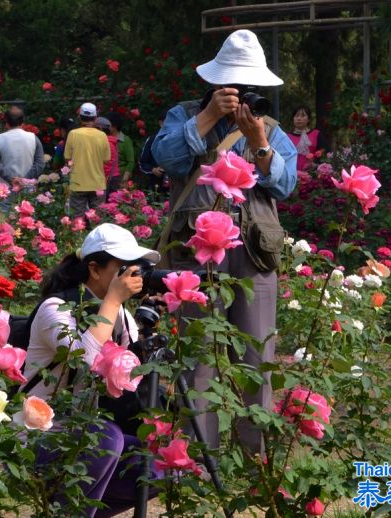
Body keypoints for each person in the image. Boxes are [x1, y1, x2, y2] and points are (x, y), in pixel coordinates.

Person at [151, 30, 297, 457]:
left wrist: (260, 145)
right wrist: (208, 118)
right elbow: (165, 158)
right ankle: (198, 461)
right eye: (231, 87)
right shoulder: (183, 115)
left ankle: (257, 463)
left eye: (248, 87)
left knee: (258, 357)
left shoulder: (269, 128)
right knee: (198, 358)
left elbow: (287, 185)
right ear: (214, 84)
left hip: (254, 254)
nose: (240, 96)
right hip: (198, 252)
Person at [21, 223, 161, 517]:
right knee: (106, 438)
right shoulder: (55, 308)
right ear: (95, 269)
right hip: (36, 437)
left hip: (85, 434)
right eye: (123, 268)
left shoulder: (122, 315)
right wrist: (111, 300)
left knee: (158, 464)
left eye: (136, 269)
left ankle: (70, 512)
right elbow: (83, 362)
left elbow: (131, 378)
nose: (132, 276)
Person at [64, 102, 110, 218]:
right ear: (95, 118)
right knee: (97, 221)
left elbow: (67, 158)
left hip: (78, 183)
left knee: (77, 222)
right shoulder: (102, 135)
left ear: (80, 117)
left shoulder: (73, 134)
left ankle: (79, 237)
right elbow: (106, 159)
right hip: (97, 184)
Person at [0, 105, 46, 188]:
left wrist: (11, 179)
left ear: (6, 123)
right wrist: (24, 180)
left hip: (5, 188)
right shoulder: (33, 138)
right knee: (28, 201)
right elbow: (40, 164)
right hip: (28, 186)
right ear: (23, 122)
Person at [138, 111, 169, 199]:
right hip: (156, 186)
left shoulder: (179, 140)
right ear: (161, 123)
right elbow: (142, 162)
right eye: (168, 121)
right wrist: (153, 169)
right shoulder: (152, 140)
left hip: (175, 185)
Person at [286, 105, 320, 171]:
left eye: (302, 116)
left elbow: (324, 154)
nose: (299, 118)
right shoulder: (287, 137)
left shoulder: (316, 134)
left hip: (313, 174)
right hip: (292, 174)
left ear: (308, 119)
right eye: (296, 116)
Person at [93, 117, 120, 198]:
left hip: (107, 179)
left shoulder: (105, 143)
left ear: (100, 129)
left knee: (103, 206)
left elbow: (106, 165)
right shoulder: (110, 141)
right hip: (112, 177)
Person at [106, 112, 135, 185]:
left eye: (107, 125)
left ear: (114, 126)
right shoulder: (104, 138)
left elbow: (131, 161)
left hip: (120, 178)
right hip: (106, 177)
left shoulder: (125, 140)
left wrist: (126, 176)